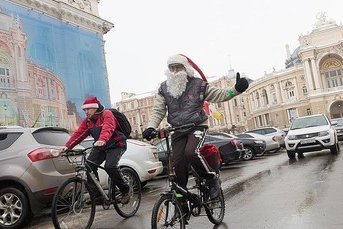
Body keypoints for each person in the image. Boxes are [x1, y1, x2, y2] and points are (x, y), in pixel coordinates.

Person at [142, 54, 249, 200]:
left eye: (177, 68)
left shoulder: (198, 85)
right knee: (177, 161)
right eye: (171, 68)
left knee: (191, 152)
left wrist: (236, 89)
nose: (174, 71)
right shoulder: (164, 88)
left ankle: (211, 180)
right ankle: (181, 195)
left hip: (197, 125)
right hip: (177, 129)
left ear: (186, 69)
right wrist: (150, 127)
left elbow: (219, 95)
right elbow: (158, 110)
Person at [60, 96, 130, 204]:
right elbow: (79, 134)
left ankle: (125, 190)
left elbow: (108, 127)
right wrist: (67, 146)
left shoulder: (106, 114)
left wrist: (102, 139)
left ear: (95, 108)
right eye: (84, 110)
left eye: (88, 109)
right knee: (88, 166)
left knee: (110, 166)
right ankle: (98, 195)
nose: (86, 112)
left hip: (116, 144)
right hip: (101, 147)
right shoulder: (87, 121)